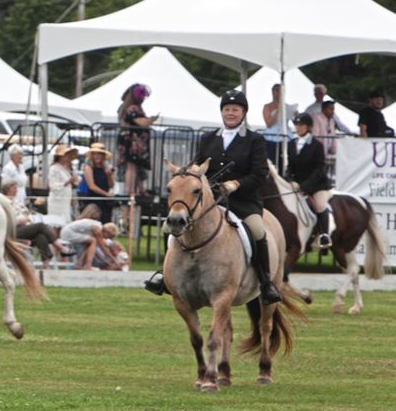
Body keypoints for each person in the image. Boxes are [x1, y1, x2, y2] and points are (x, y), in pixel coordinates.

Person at [147, 89, 281, 304]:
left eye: (235, 110)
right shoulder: (208, 138)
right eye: (227, 109)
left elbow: (259, 174)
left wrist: (236, 184)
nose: (230, 113)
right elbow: (198, 166)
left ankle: (266, 283)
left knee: (257, 230)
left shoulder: (254, 140)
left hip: (243, 201)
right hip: (210, 201)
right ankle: (166, 276)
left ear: (243, 113)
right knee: (169, 227)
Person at [285, 112, 333, 250]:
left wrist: (304, 185)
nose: (298, 128)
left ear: (309, 127)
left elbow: (319, 169)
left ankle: (324, 236)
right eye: (296, 125)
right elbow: (290, 167)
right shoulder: (291, 144)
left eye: (301, 125)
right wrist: (289, 180)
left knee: (320, 206)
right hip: (297, 185)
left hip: (317, 186)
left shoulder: (316, 145)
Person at [116, 83, 155, 198]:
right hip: (131, 142)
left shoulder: (126, 107)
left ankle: (139, 190)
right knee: (132, 167)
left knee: (136, 167)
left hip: (132, 141)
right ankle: (131, 191)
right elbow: (142, 122)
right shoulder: (132, 108)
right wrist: (150, 120)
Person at [59, 205, 117, 271]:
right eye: (109, 237)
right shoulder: (97, 228)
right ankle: (88, 265)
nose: (107, 239)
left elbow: (93, 251)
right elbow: (103, 247)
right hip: (68, 233)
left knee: (90, 243)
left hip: (67, 231)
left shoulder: (96, 228)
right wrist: (114, 259)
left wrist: (106, 262)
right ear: (107, 232)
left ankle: (79, 264)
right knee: (93, 240)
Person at [261, 83, 296, 165]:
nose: (279, 93)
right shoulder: (267, 106)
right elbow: (269, 123)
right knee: (271, 158)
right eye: (277, 90)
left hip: (286, 135)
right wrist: (278, 110)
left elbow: (294, 122)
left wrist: (295, 114)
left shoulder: (287, 106)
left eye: (281, 91)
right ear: (273, 92)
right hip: (272, 136)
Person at [81, 142, 115, 224]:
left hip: (105, 202)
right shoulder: (88, 167)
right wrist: (106, 194)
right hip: (94, 200)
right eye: (95, 154)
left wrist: (109, 175)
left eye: (99, 154)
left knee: (106, 221)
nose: (97, 156)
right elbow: (91, 186)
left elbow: (111, 185)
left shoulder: (106, 167)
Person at [46, 143, 79, 224]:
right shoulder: (54, 168)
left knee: (66, 222)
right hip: (57, 201)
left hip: (65, 200)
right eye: (66, 154)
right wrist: (67, 182)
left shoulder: (69, 169)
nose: (68, 157)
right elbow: (52, 185)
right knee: (56, 223)